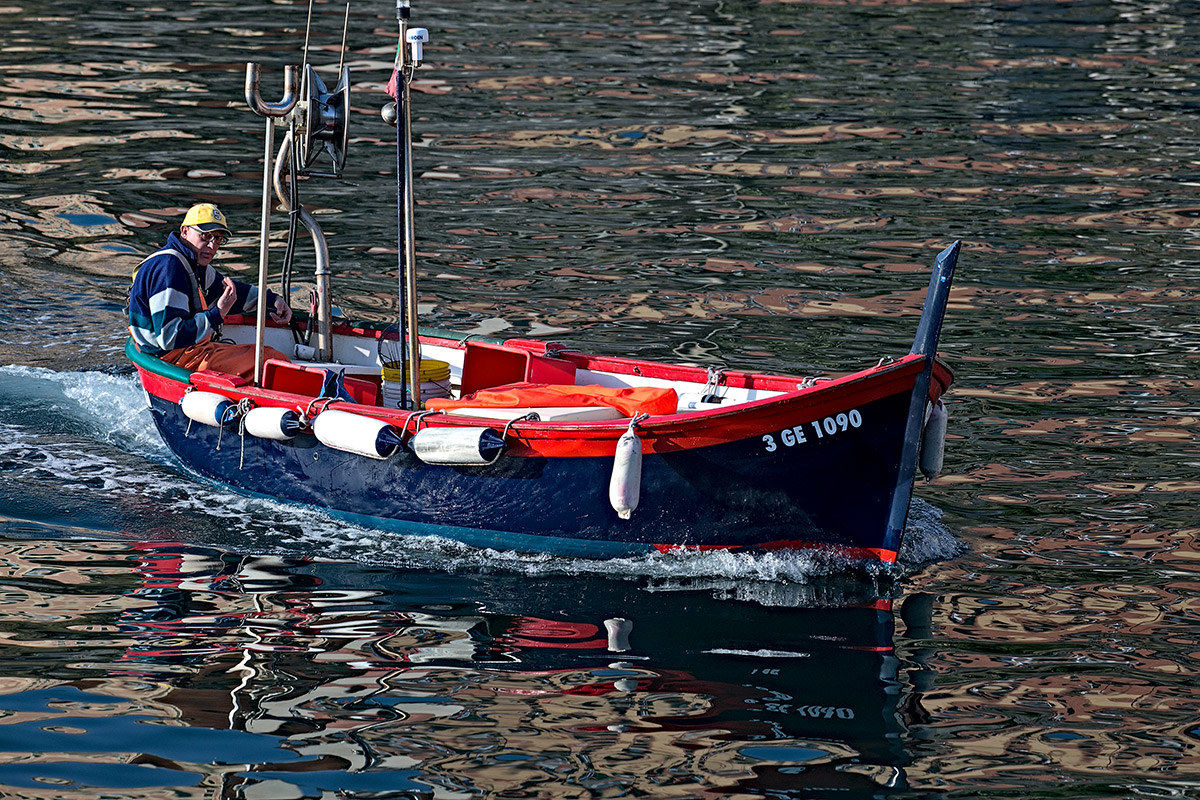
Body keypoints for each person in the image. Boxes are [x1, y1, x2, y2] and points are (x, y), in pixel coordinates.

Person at [128, 203, 292, 381]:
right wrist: (218, 314)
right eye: (206, 236)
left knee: (267, 355)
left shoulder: (191, 263)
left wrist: (272, 300)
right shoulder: (170, 268)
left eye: (218, 239)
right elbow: (169, 337)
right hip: (173, 359)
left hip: (182, 352)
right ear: (184, 231)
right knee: (271, 360)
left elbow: (230, 293)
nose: (212, 245)